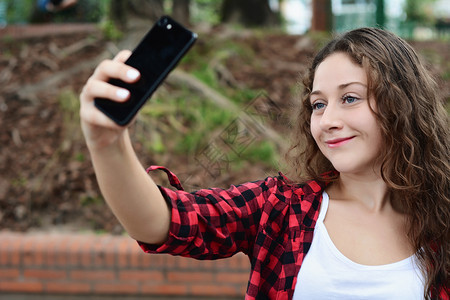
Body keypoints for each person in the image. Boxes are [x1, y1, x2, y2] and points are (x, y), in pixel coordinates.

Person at [80, 27, 449, 299]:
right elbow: (165, 221)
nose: (327, 119)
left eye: (350, 98)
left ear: (401, 105)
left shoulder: (442, 217)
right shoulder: (281, 207)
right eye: (318, 104)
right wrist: (107, 143)